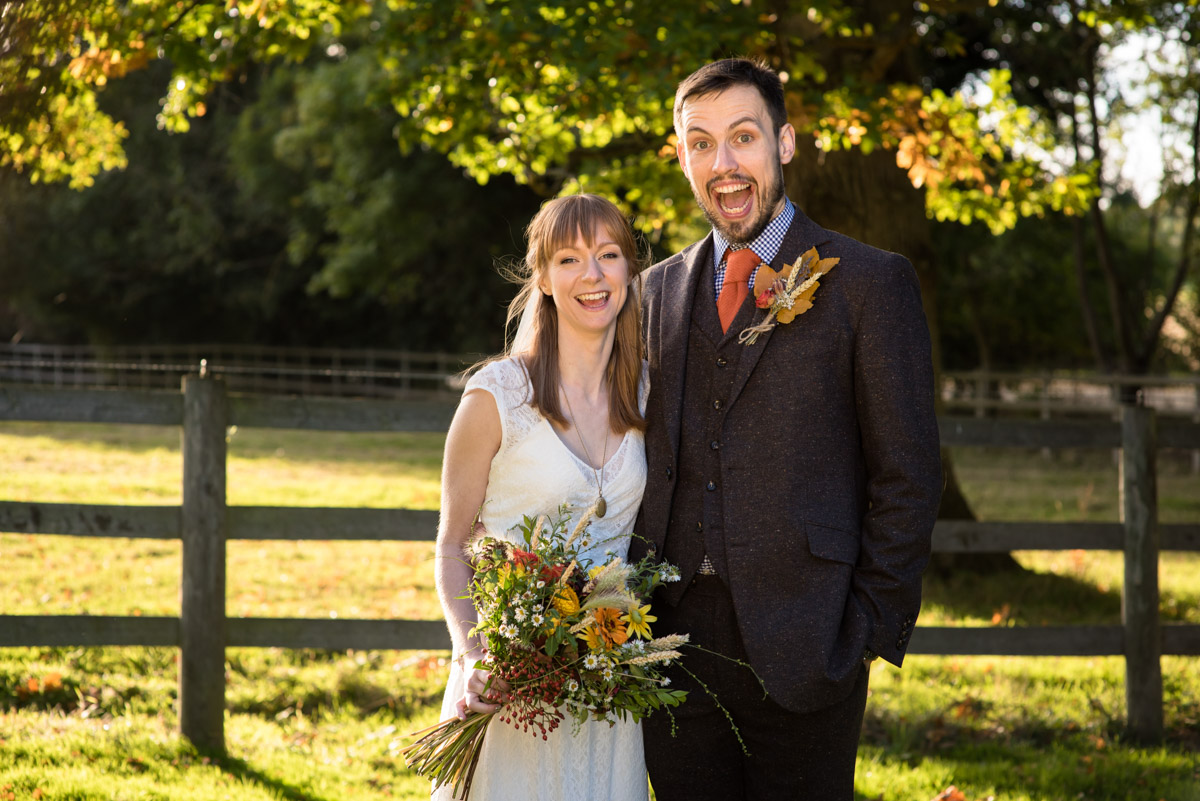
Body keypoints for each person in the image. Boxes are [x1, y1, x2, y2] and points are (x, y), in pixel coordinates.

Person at [629, 58, 943, 800]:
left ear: (786, 143)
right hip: (670, 645)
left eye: (743, 137)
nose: (724, 163)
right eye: (701, 143)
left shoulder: (870, 283)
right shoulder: (653, 292)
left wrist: (865, 626)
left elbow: (908, 473)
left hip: (810, 638)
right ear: (681, 157)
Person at [432, 193, 651, 801]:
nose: (592, 275)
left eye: (609, 255)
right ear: (545, 279)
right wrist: (472, 655)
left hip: (610, 693)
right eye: (570, 259)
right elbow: (451, 545)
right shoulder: (496, 396)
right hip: (510, 690)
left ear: (629, 273)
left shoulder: (646, 396)